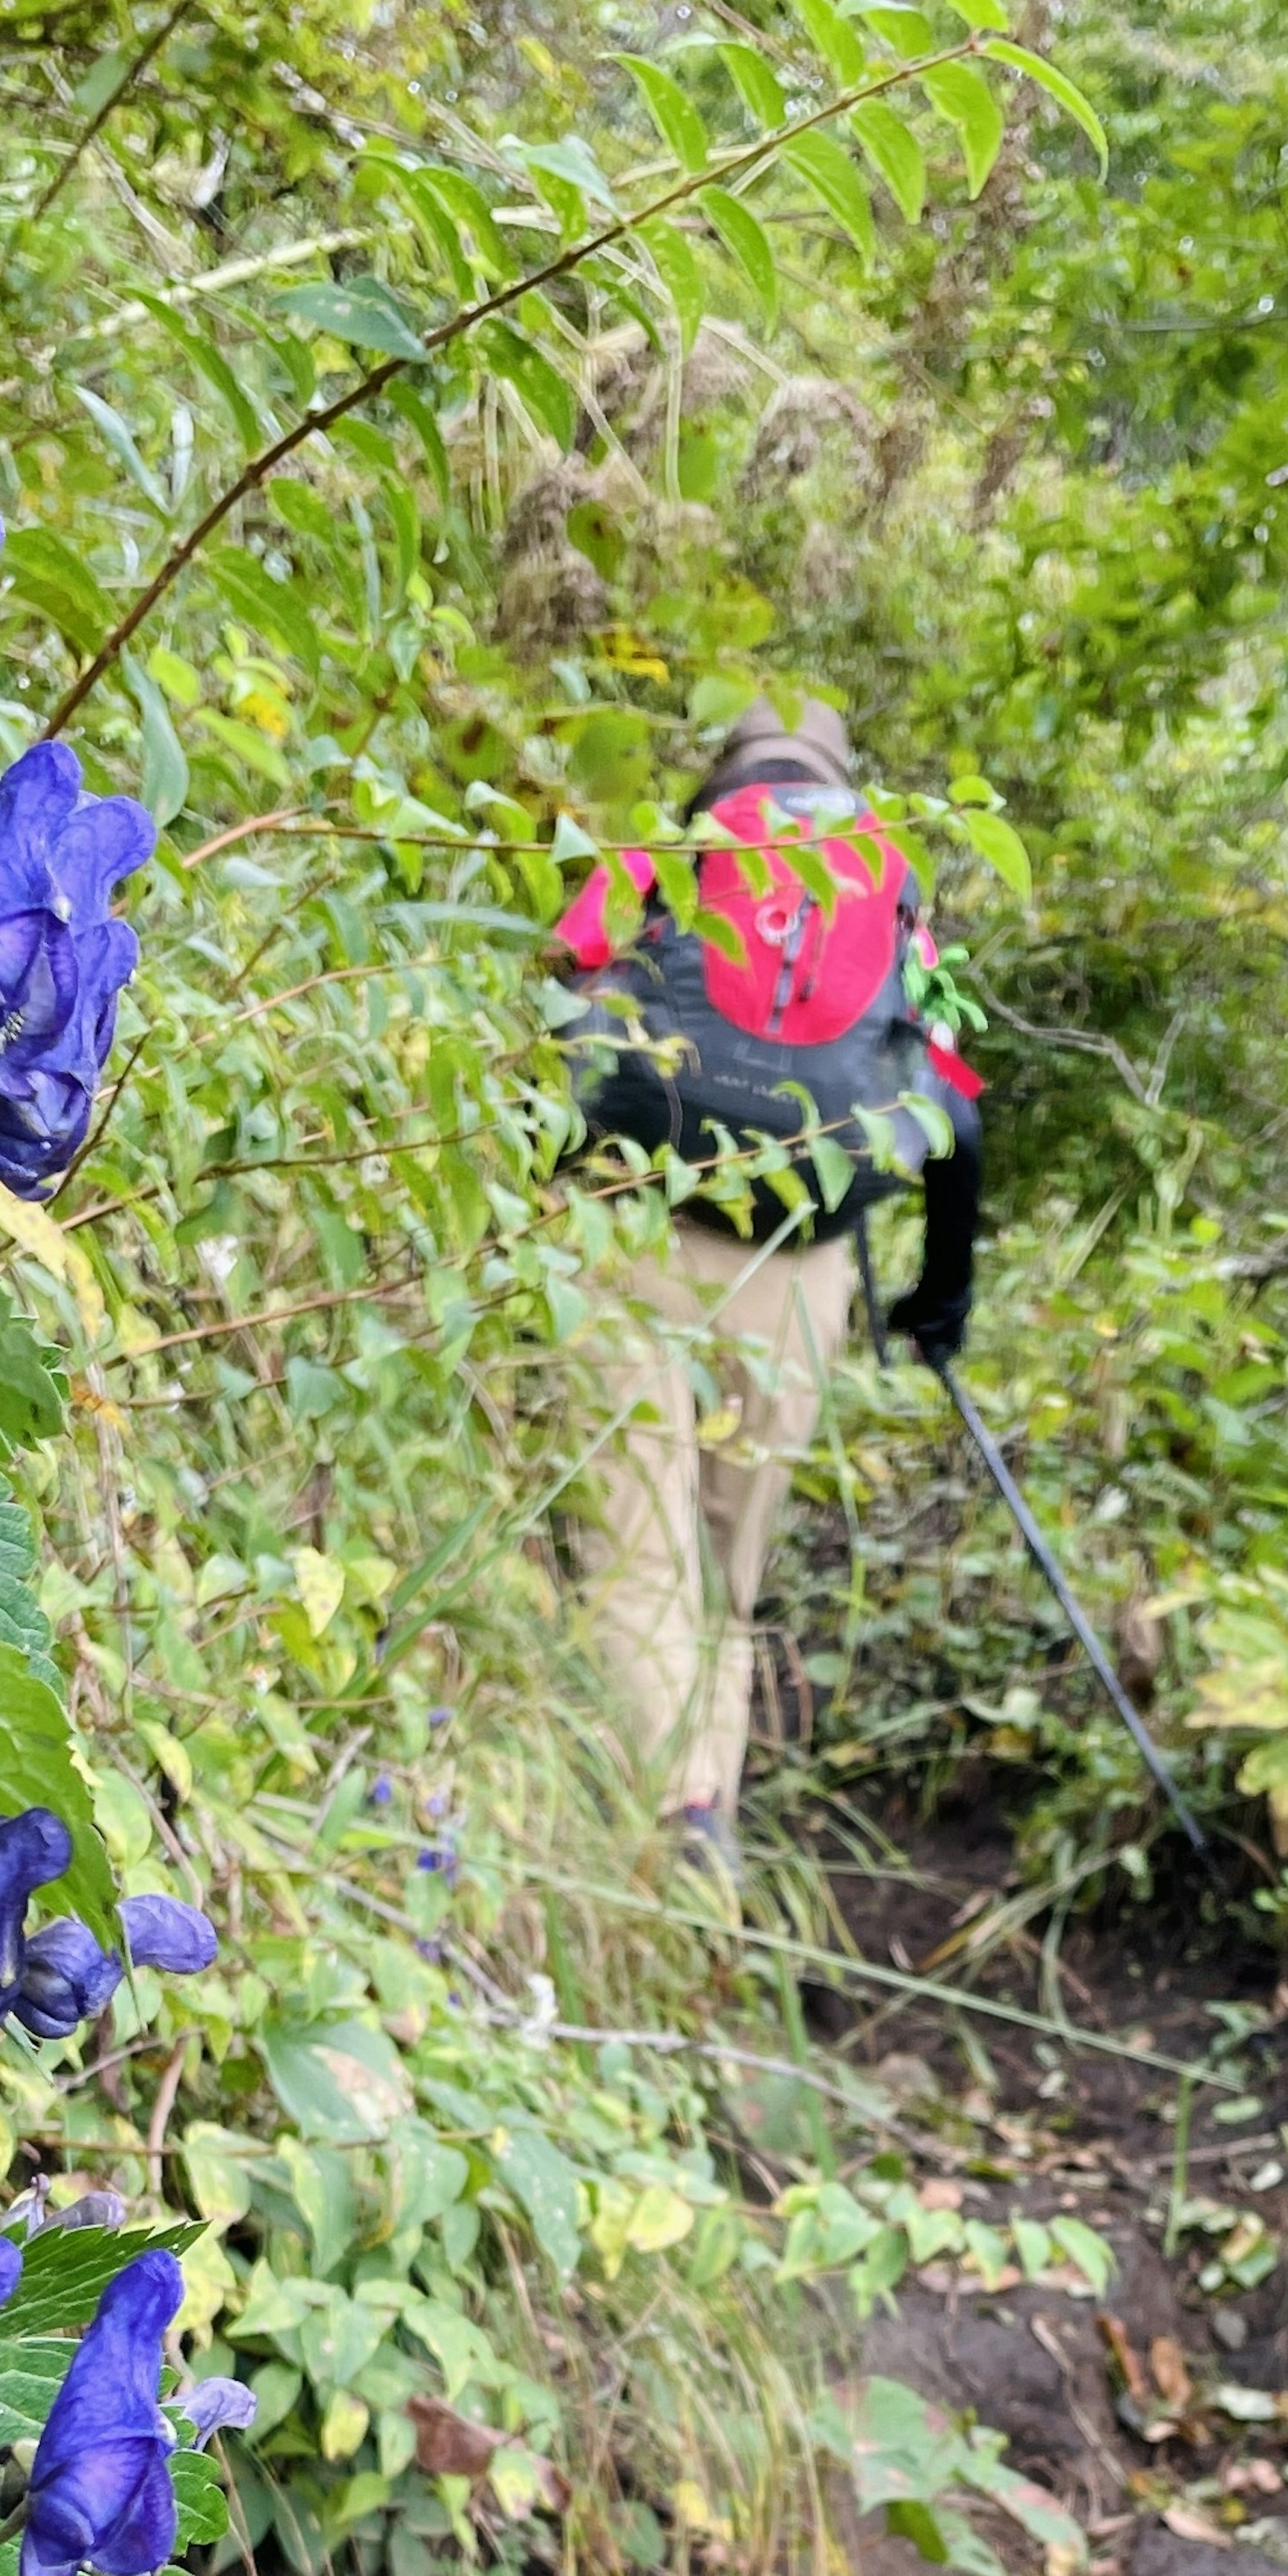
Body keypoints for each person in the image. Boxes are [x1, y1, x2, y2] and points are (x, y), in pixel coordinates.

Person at [549, 695, 981, 1868]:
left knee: (638, 1547)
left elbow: (558, 985)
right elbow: (951, 1103)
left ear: (725, 767)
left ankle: (658, 1816)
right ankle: (706, 1836)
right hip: (801, 1270)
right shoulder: (892, 881)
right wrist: (939, 1304)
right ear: (842, 772)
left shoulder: (666, 847)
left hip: (631, 1222)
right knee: (725, 1583)